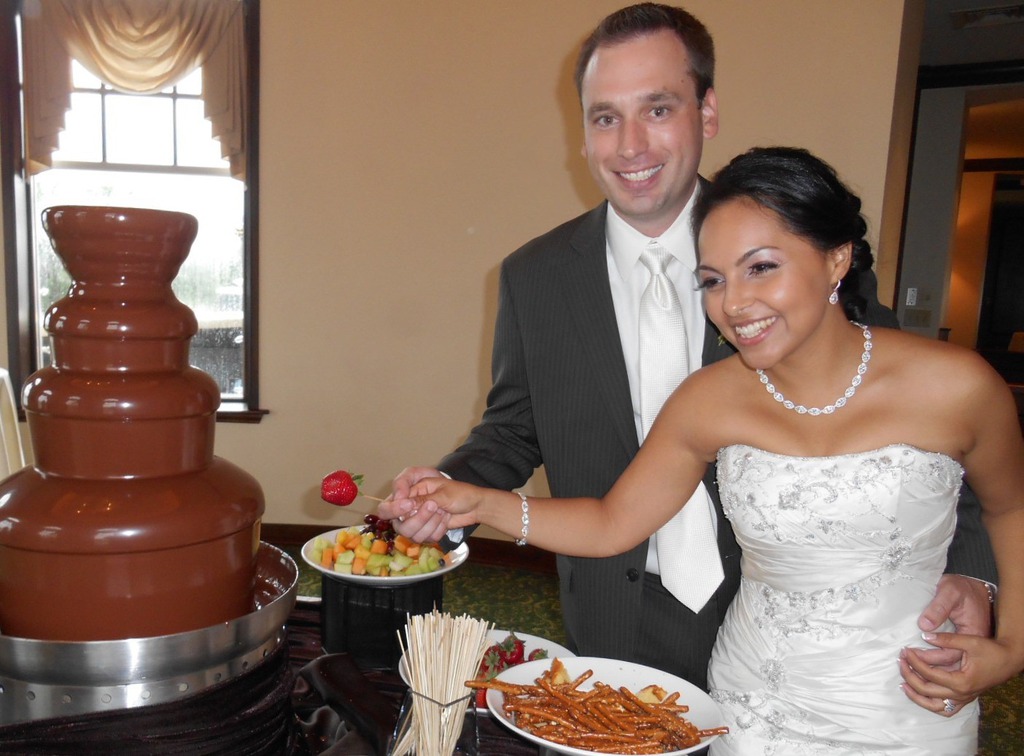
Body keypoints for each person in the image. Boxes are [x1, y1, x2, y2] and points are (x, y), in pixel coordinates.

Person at [379, 2, 996, 708]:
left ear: (706, 114)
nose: (630, 145)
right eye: (605, 117)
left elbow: (929, 419)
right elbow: (514, 427)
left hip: (791, 623)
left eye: (659, 109)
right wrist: (444, 493)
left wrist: (978, 575)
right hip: (611, 611)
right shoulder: (533, 276)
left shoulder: (792, 249)